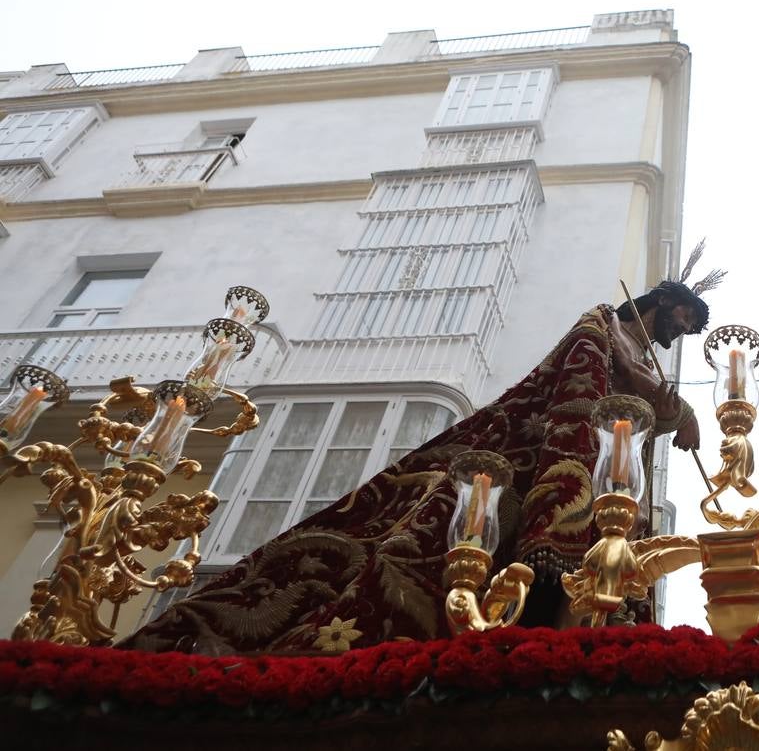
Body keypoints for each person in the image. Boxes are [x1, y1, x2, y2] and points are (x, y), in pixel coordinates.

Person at [122, 265, 719, 654]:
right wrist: (673, 406)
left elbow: (641, 391)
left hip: (608, 469)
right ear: (663, 299)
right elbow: (602, 371)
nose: (681, 330)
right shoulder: (607, 323)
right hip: (557, 453)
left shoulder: (643, 345)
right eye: (683, 317)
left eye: (689, 326)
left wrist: (665, 410)